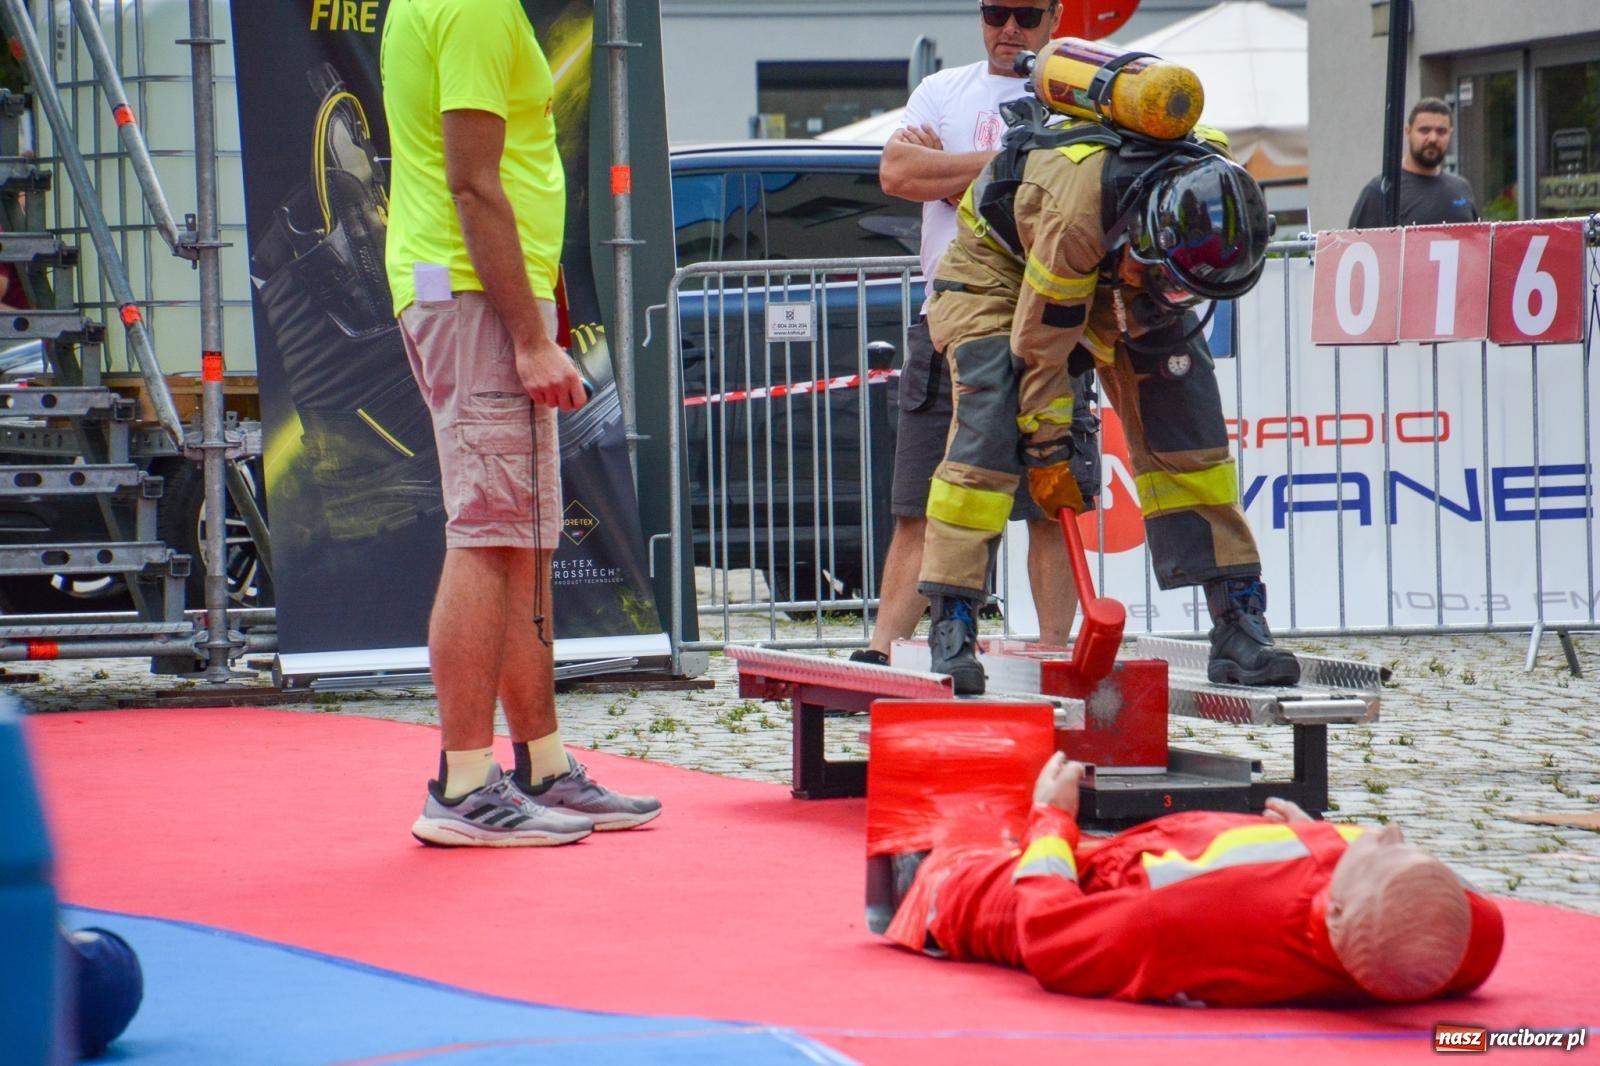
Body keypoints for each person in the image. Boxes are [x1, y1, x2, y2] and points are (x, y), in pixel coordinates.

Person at [381, 0, 660, 846]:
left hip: (488, 292)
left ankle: (541, 765)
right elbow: (472, 179)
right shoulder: (470, 5)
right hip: (473, 295)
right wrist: (531, 338)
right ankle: (463, 784)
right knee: (489, 531)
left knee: (522, 536)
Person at [917, 95, 1300, 694]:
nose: (1176, 298)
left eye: (1187, 291)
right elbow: (1042, 349)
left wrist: (1161, 289)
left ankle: (1239, 622)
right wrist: (1047, 452)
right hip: (1002, 269)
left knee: (1187, 426)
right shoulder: (1074, 209)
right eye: (1172, 285)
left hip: (1119, 265)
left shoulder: (1205, 188)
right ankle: (954, 624)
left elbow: (1151, 293)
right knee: (991, 416)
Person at [851, 0, 1091, 667]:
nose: (1007, 28)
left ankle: (1052, 655)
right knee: (920, 500)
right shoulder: (942, 89)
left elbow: (1081, 196)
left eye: (1024, 13)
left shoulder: (1078, 95)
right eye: (993, 11)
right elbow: (897, 174)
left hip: (1048, 317)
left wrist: (953, 172)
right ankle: (882, 652)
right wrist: (1015, 168)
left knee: (1053, 502)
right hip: (947, 320)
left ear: (1055, 15)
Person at [883, 753, 1505, 1006]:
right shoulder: (1457, 937)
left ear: (1335, 904)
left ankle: (922, 883)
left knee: (945, 880)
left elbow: (1049, 935)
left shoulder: (1195, 922)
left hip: (1017, 889)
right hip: (1169, 859)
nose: (1389, 833)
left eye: (1368, 854)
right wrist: (1312, 837)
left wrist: (1051, 819)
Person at [1348, 98, 1479, 228]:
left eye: (1441, 131)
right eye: (1424, 130)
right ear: (1407, 132)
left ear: (1450, 134)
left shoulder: (1461, 188)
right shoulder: (1382, 190)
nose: (1433, 138)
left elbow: (1477, 243)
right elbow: (1358, 246)